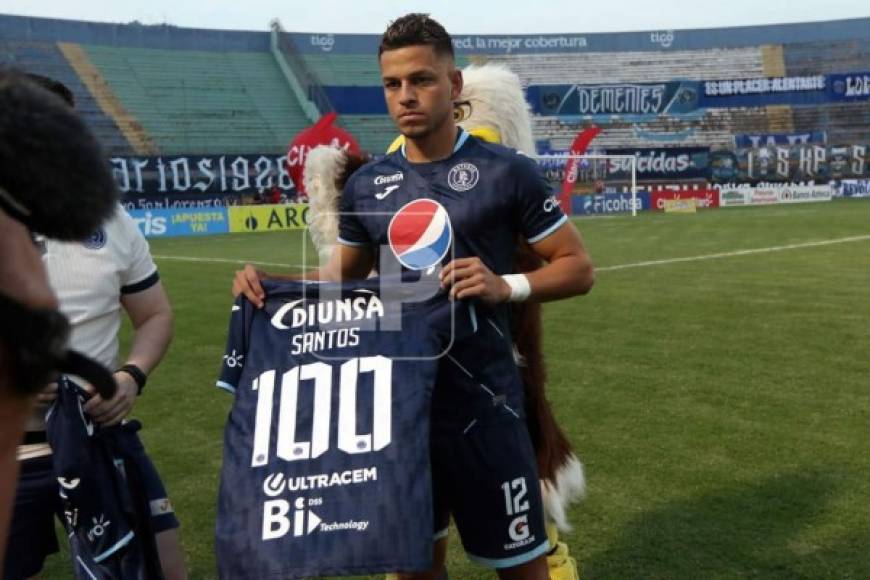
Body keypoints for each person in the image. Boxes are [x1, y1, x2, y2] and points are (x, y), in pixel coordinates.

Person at [233, 13, 594, 580]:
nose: (406, 96)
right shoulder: (366, 185)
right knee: (414, 569)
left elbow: (578, 268)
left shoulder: (509, 174)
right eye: (392, 84)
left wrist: (507, 286)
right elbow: (343, 276)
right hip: (399, 413)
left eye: (421, 80)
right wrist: (272, 289)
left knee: (526, 570)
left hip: (488, 413)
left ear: (453, 86)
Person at [3, 77, 187, 580]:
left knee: (163, 565)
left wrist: (131, 376)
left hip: (98, 435)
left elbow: (155, 315)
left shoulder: (111, 220)